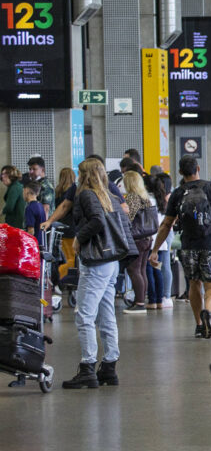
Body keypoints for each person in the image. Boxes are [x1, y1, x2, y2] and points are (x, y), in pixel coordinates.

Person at [148, 155, 211, 340]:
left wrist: (154, 249)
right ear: (198, 168)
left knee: (194, 284)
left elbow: (166, 224)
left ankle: (199, 324)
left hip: (189, 246)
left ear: (181, 172)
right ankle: (207, 311)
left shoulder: (177, 193)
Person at [63, 158, 134, 390]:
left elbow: (96, 221)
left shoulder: (86, 195)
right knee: (106, 315)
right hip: (111, 261)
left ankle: (87, 367)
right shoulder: (110, 196)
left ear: (84, 175)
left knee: (84, 316)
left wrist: (78, 238)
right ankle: (109, 366)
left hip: (95, 262)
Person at [121, 170, 159, 314]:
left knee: (133, 269)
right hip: (147, 238)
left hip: (137, 239)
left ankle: (139, 303)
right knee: (142, 269)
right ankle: (141, 300)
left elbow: (128, 217)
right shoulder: (145, 197)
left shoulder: (132, 197)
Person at [145, 174, 171, 309]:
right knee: (158, 270)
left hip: (150, 240)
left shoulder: (147, 200)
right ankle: (160, 300)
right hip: (161, 241)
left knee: (148, 270)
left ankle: (152, 300)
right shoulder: (162, 201)